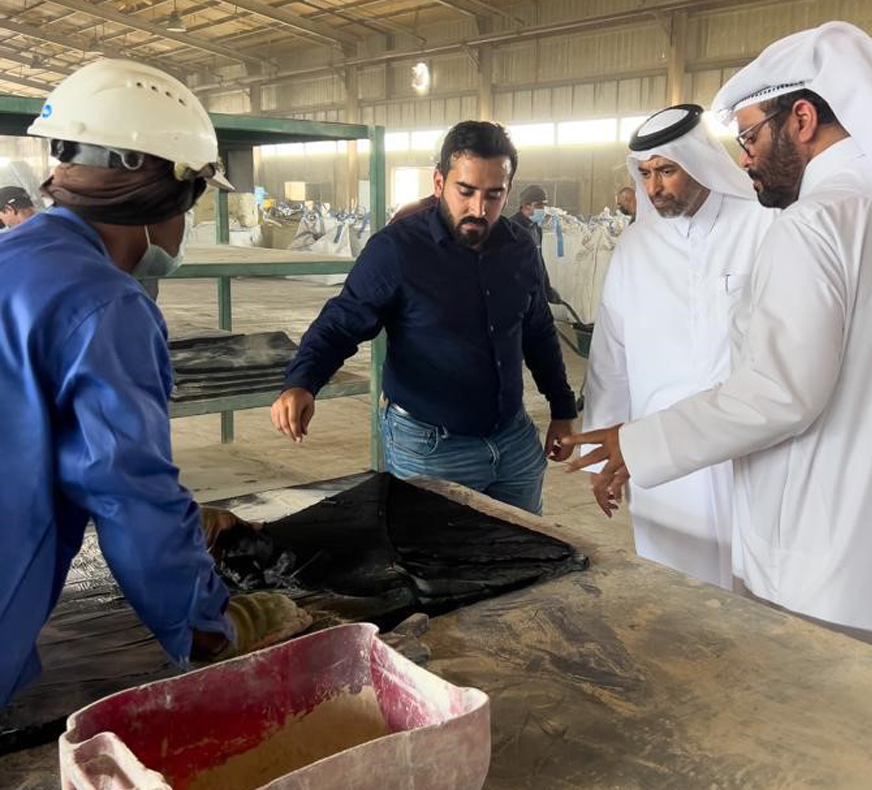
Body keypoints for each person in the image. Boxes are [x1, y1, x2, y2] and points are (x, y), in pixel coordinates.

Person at [567, 21, 872, 716]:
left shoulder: (814, 221)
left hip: (825, 538)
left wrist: (633, 443)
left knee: (823, 719)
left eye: (748, 137)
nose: (742, 160)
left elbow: (778, 392)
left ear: (800, 118)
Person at [0, 59, 310, 706]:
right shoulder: (105, 304)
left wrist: (187, 520)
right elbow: (127, 492)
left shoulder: (16, 263)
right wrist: (214, 629)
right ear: (165, 193)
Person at [271, 121, 577, 515]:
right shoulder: (397, 250)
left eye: (494, 195)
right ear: (439, 182)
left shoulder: (519, 248)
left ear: (508, 191)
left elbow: (537, 330)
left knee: (528, 557)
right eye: (465, 191)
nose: (478, 209)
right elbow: (341, 321)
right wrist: (301, 382)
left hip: (514, 442)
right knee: (439, 565)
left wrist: (563, 408)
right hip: (431, 448)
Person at [581, 104, 775, 588]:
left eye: (666, 171)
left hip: (747, 456)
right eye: (644, 173)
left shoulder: (762, 227)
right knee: (675, 599)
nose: (653, 189)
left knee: (755, 600)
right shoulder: (635, 248)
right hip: (662, 462)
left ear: (702, 161)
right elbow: (611, 359)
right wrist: (610, 454)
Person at [510, 183, 561, 303]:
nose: (542, 210)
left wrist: (547, 289)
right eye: (538, 205)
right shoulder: (512, 228)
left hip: (534, 291)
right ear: (526, 205)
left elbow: (539, 262)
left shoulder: (536, 229)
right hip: (518, 292)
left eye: (544, 205)